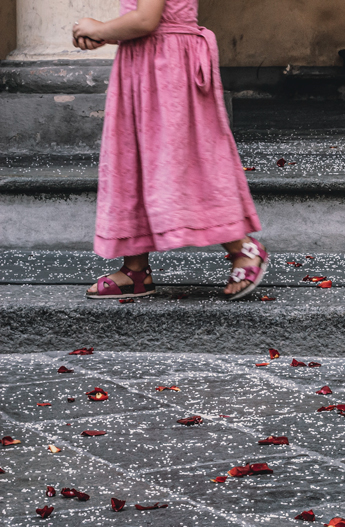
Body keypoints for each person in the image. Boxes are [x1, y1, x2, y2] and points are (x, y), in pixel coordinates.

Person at [72, 0, 267, 301]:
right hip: (147, 61)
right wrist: (108, 34)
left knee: (181, 163)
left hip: (166, 66)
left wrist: (98, 28)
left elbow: (147, 20)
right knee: (135, 159)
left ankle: (242, 247)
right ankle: (135, 268)